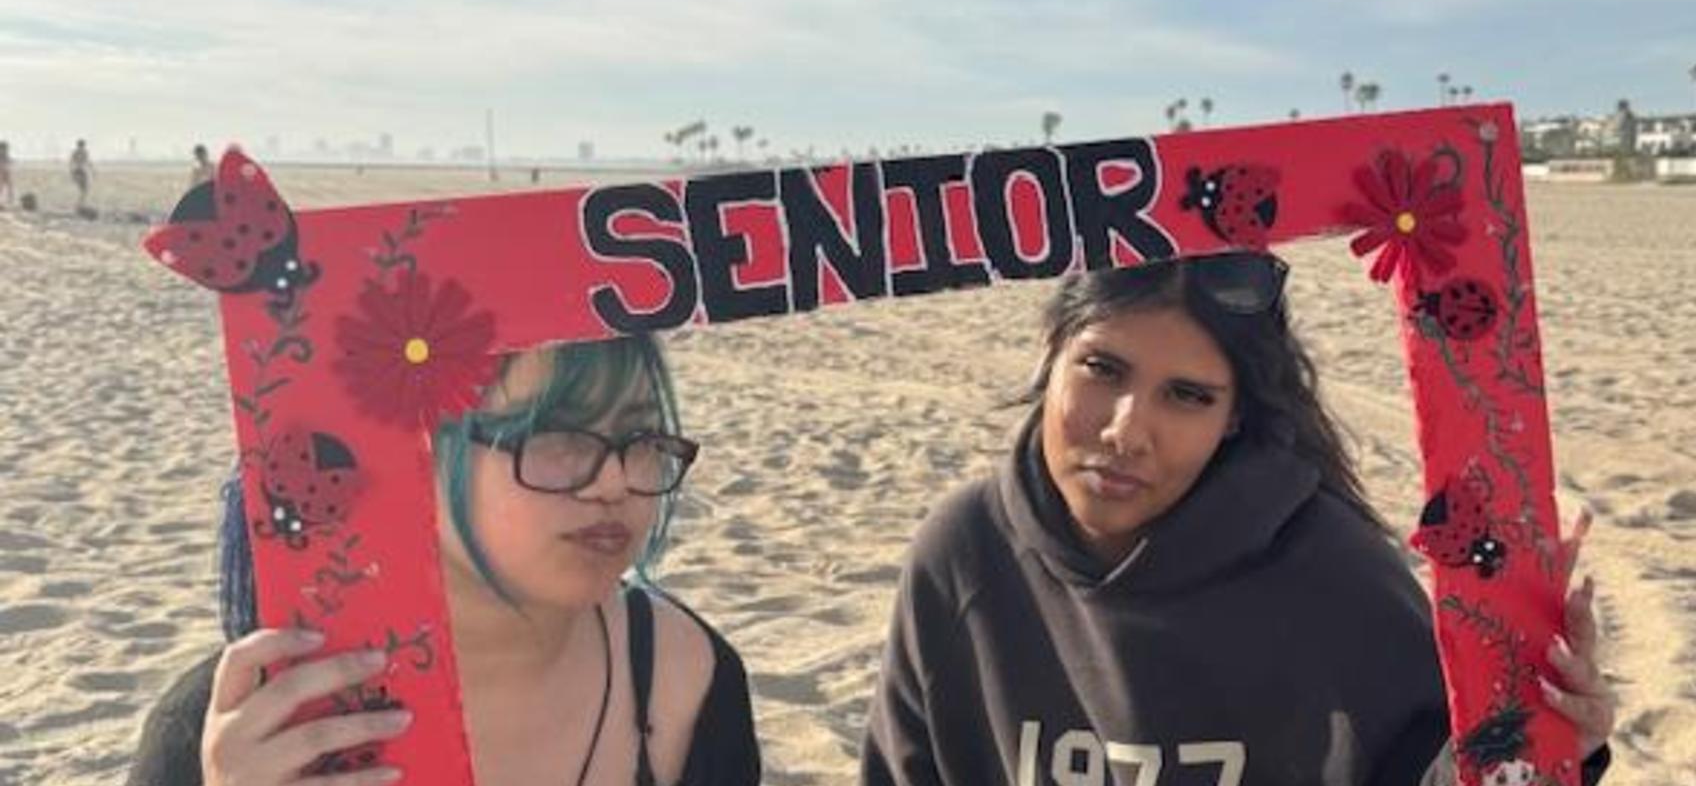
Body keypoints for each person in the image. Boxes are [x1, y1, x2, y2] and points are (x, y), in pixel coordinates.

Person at [861, 253, 1616, 785]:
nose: (1127, 429)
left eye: (1187, 395)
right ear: (1049, 357)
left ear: (1233, 418)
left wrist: (1550, 739)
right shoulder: (963, 552)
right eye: (1102, 369)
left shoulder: (1335, 573)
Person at [128, 336, 761, 785]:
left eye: (642, 436)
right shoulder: (248, 736)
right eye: (558, 435)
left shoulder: (687, 678)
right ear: (414, 455)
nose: (615, 480)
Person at [70, 139, 95, 214]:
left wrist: (72, 174)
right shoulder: (84, 152)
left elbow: (71, 162)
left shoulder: (75, 152)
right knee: (84, 190)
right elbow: (87, 161)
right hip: (81, 171)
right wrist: (92, 169)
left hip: (77, 171)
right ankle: (80, 205)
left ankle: (79, 204)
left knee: (82, 189)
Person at [0, 140, 14, 207]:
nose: (4, 150)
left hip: (6, 172)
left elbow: (9, 161)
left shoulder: (6, 155)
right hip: (2, 172)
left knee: (9, 186)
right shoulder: (2, 155)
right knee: (1, 186)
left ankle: (10, 199)